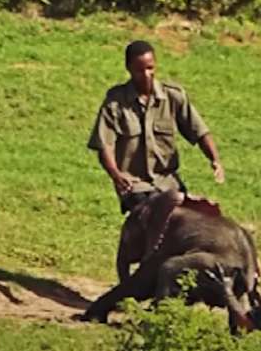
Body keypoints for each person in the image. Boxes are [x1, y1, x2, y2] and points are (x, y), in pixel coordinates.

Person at [87, 40, 224, 255]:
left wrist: (214, 159)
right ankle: (149, 262)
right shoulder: (115, 103)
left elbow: (199, 131)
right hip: (135, 184)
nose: (147, 74)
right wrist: (116, 174)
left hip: (168, 181)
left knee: (194, 219)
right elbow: (105, 145)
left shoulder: (173, 96)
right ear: (129, 69)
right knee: (156, 215)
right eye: (140, 70)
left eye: (151, 68)